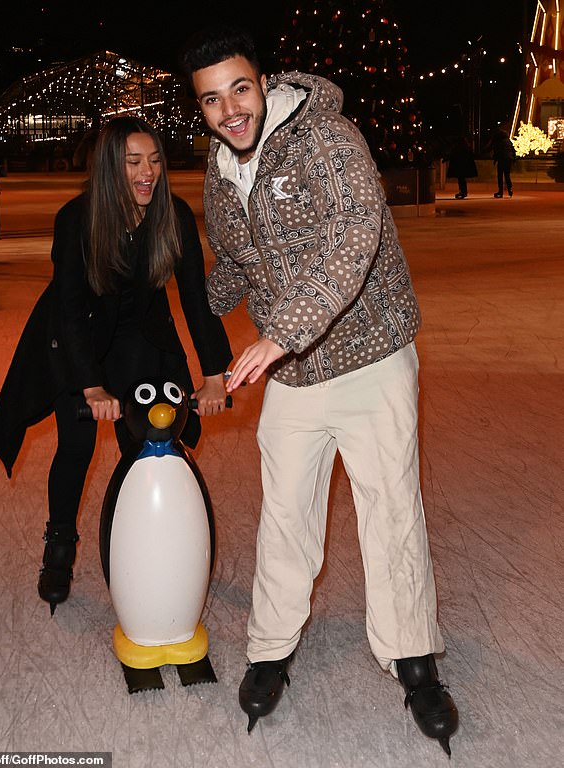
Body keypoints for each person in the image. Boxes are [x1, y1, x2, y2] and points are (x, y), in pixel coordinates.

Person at [180, 25, 459, 755]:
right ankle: (270, 650)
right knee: (285, 513)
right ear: (201, 108)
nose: (230, 110)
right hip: (297, 374)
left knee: (391, 510)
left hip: (370, 357)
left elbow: (354, 233)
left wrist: (280, 332)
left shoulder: (327, 136)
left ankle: (414, 658)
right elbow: (237, 266)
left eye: (240, 89)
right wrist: (180, 289)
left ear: (263, 83)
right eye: (212, 100)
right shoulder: (216, 170)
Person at [0, 116, 232, 615]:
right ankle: (59, 544)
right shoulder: (77, 217)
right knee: (76, 443)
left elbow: (196, 299)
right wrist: (92, 387)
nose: (148, 173)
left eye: (155, 161)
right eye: (133, 162)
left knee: (145, 445)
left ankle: (142, 547)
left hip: (139, 336)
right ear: (108, 168)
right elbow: (71, 308)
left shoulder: (173, 215)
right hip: (77, 337)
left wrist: (213, 373)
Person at [486, 127, 515, 198]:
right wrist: (513, 159)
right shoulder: (508, 141)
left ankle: (500, 191)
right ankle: (510, 189)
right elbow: (513, 150)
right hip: (508, 159)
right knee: (507, 175)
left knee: (500, 175)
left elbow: (493, 149)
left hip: (502, 159)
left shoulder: (498, 141)